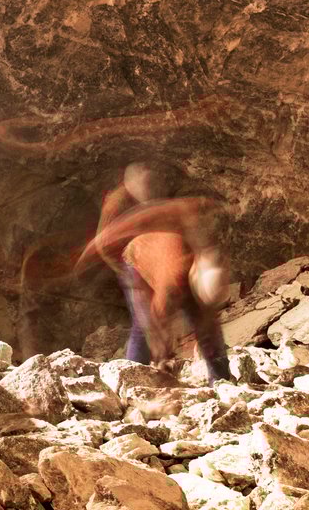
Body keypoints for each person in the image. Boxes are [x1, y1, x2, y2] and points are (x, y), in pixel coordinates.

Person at [77, 163, 233, 382]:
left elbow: (207, 319)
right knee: (144, 325)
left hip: (166, 250)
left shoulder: (197, 243)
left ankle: (221, 380)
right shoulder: (118, 206)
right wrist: (162, 354)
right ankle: (129, 380)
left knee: (206, 324)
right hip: (136, 258)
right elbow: (156, 322)